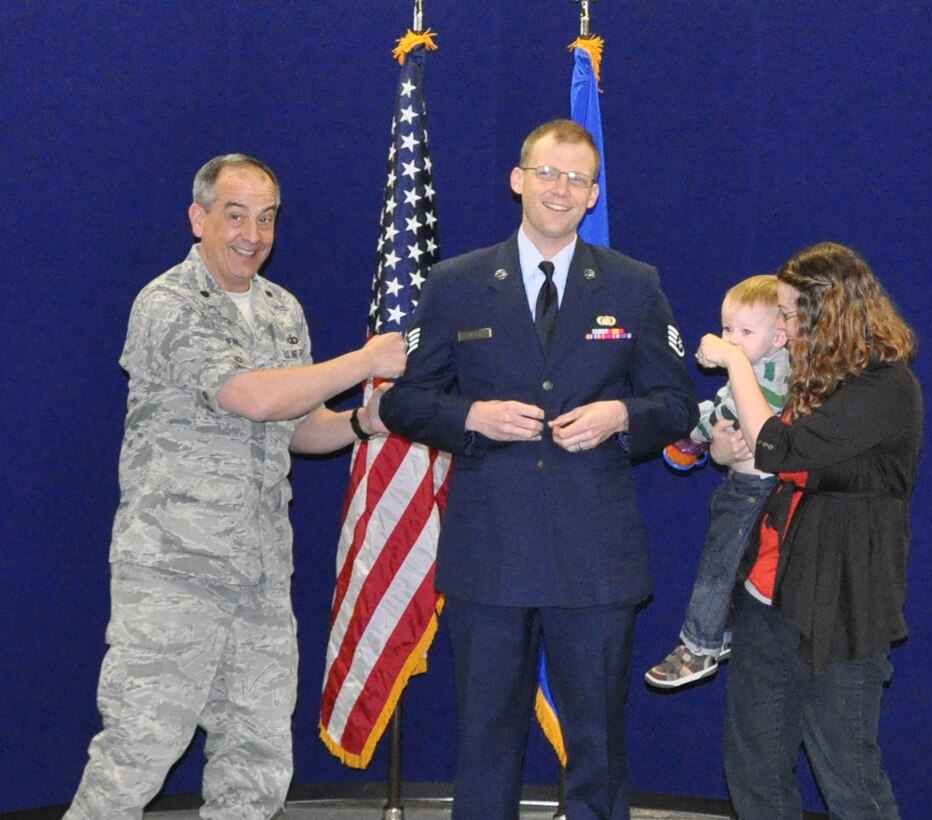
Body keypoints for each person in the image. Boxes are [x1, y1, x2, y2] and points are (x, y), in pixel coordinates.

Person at [65, 154, 407, 820]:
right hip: (172, 573)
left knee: (256, 762)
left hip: (258, 575)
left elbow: (299, 427)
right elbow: (248, 396)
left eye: (267, 217)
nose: (252, 233)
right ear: (199, 219)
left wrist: (364, 423)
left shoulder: (281, 311)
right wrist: (364, 361)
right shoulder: (168, 302)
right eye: (235, 214)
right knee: (137, 751)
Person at [379, 119, 697, 820]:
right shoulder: (455, 283)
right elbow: (405, 401)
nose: (560, 189)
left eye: (576, 178)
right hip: (490, 550)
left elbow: (676, 405)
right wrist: (471, 418)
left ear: (592, 196)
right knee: (485, 741)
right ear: (518, 179)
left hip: (594, 556)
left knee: (597, 744)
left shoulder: (633, 285)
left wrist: (620, 418)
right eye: (547, 173)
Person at [696, 242, 921, 818]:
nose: (786, 328)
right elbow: (750, 449)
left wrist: (738, 364)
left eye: (794, 314)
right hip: (765, 596)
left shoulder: (885, 388)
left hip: (841, 609)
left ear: (833, 313)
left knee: (848, 775)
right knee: (755, 770)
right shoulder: (805, 377)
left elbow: (779, 449)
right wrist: (722, 448)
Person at [646, 275, 790, 688]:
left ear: (780, 337)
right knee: (728, 565)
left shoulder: (776, 372)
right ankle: (722, 631)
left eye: (746, 332)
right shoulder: (758, 365)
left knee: (718, 566)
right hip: (742, 486)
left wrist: (695, 433)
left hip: (754, 490)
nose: (734, 340)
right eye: (729, 329)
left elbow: (749, 417)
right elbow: (724, 406)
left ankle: (700, 645)